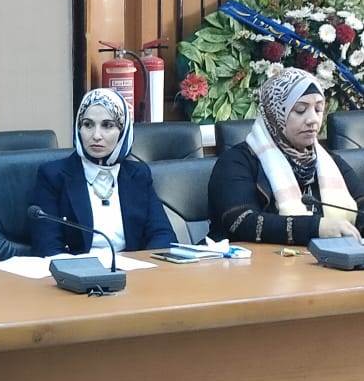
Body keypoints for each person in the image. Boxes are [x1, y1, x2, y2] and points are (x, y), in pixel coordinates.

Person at [208, 68, 364, 245]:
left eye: (318, 109)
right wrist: (316, 227)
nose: (313, 119)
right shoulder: (236, 162)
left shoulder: (330, 163)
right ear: (275, 114)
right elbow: (242, 221)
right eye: (300, 110)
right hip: (250, 261)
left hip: (322, 260)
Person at [30, 88, 174, 257]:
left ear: (122, 131)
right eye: (88, 125)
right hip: (77, 269)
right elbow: (47, 246)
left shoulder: (138, 175)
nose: (96, 135)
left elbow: (163, 235)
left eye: (107, 125)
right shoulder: (53, 176)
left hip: (133, 268)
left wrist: (146, 265)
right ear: (78, 128)